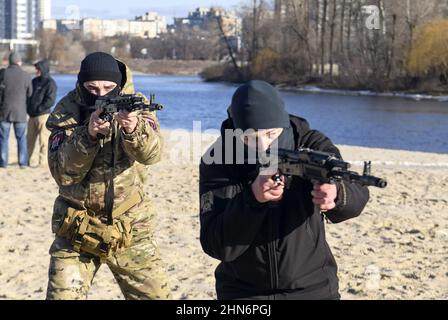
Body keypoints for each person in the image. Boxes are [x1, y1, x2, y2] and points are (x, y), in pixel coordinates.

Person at [199, 80, 370, 300]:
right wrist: (252, 199)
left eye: (271, 134)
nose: (263, 145)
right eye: (250, 138)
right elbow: (216, 244)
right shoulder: (218, 159)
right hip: (243, 292)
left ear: (283, 122)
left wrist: (337, 194)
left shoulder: (311, 142)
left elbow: (357, 191)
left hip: (313, 289)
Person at [45, 52, 171, 300]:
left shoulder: (137, 105)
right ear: (82, 85)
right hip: (75, 228)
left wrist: (134, 129)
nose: (101, 95)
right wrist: (87, 135)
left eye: (108, 88)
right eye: (92, 88)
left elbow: (152, 154)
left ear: (119, 85)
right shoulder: (66, 112)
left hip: (131, 228)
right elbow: (64, 174)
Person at [0, 52, 32, 168]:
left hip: (4, 111)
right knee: (21, 138)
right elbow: (30, 93)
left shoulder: (3, 73)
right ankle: (22, 163)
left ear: (9, 61)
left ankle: (3, 163)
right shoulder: (26, 75)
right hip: (20, 112)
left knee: (3, 138)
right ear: (19, 61)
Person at [27, 59, 57, 167]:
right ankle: (26, 161)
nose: (36, 71)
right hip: (31, 116)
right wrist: (28, 108)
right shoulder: (34, 81)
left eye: (38, 69)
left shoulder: (50, 83)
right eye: (36, 69)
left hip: (43, 116)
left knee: (43, 141)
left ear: (43, 69)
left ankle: (42, 163)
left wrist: (39, 108)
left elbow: (50, 101)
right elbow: (28, 96)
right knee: (29, 141)